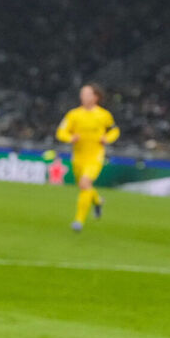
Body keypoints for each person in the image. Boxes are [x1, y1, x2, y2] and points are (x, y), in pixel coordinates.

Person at [55, 84, 119, 232]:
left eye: (87, 94)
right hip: (78, 157)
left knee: (84, 183)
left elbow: (115, 130)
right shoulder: (73, 115)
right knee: (85, 187)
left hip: (95, 157)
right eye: (82, 94)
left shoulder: (104, 115)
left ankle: (78, 221)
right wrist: (71, 138)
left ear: (95, 97)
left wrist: (107, 138)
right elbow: (60, 132)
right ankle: (97, 201)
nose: (83, 97)